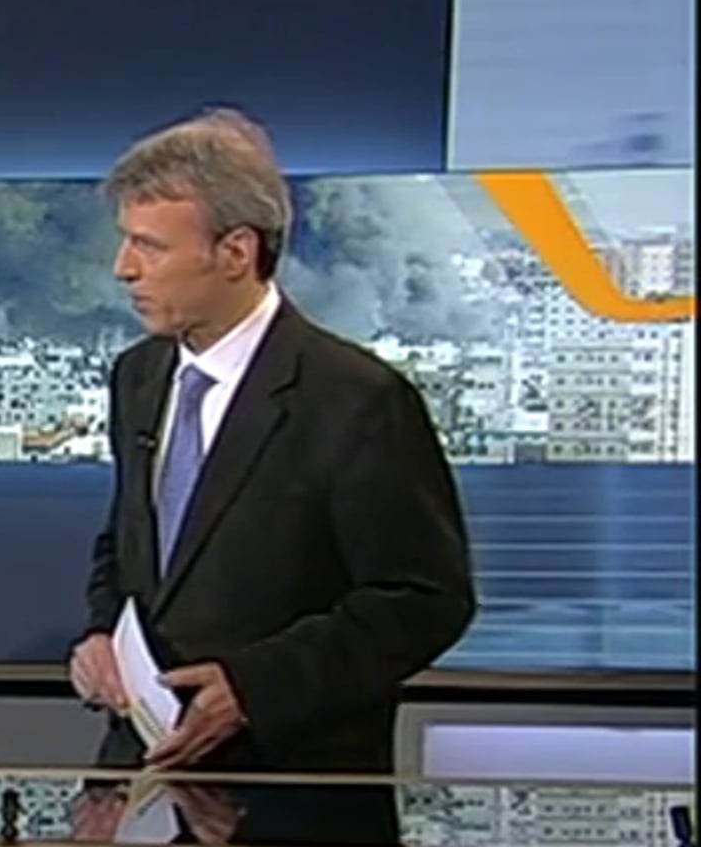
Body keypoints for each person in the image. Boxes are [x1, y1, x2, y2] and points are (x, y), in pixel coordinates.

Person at [68, 109, 476, 795]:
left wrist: (255, 688)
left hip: (295, 787)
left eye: (150, 246)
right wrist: (101, 634)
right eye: (125, 241)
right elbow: (128, 543)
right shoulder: (137, 377)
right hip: (139, 777)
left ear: (236, 252)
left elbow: (425, 599)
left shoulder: (355, 399)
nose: (123, 268)